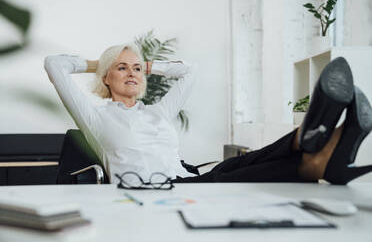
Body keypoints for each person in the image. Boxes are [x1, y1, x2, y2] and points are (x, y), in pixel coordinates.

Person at [44, 43, 372, 186]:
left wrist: (145, 64)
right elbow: (54, 65)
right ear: (106, 77)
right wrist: (101, 61)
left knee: (240, 162)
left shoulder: (159, 112)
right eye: (121, 68)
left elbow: (190, 71)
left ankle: (312, 144)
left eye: (136, 69)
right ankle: (323, 149)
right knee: (230, 177)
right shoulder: (95, 118)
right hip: (152, 191)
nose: (131, 72)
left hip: (188, 181)